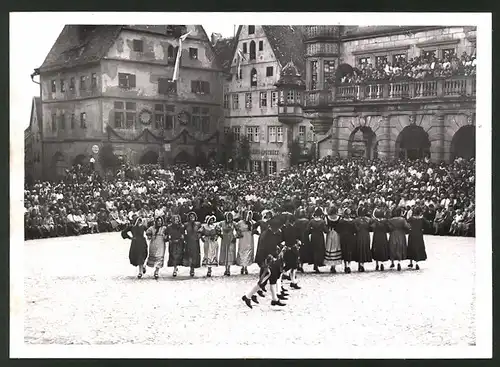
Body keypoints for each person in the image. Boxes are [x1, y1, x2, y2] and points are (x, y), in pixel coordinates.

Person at [281, 212, 301, 290]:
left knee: (292, 266)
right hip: (291, 249)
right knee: (291, 266)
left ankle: (292, 282)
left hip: (290, 248)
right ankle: (290, 281)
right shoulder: (293, 228)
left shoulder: (284, 228)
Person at [308, 207, 328, 273]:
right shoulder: (322, 221)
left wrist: (312, 231)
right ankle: (318, 264)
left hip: (314, 236)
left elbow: (308, 230)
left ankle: (315, 265)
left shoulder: (311, 221)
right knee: (319, 251)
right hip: (320, 236)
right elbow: (325, 231)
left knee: (314, 251)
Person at [218, 212, 239, 276]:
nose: (229, 217)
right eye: (228, 216)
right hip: (224, 239)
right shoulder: (222, 223)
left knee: (230, 253)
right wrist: (220, 234)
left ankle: (228, 269)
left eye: (231, 216)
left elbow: (239, 231)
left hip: (231, 239)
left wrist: (235, 237)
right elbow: (216, 228)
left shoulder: (234, 223)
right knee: (225, 253)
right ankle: (225, 268)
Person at [353, 206, 373, 272]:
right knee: (364, 248)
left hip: (359, 236)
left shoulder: (356, 220)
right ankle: (362, 265)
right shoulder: (368, 220)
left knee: (359, 249)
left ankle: (360, 265)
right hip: (366, 236)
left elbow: (355, 229)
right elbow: (371, 228)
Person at [236, 210, 256, 275]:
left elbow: (255, 230)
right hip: (243, 238)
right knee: (242, 251)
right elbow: (237, 229)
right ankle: (242, 266)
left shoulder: (253, 222)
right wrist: (239, 233)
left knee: (248, 251)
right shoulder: (240, 223)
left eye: (250, 215)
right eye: (248, 215)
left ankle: (246, 267)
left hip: (249, 238)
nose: (249, 216)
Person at [337, 208, 356, 273]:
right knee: (349, 252)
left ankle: (346, 266)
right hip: (350, 237)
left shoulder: (341, 221)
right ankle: (349, 266)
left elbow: (338, 230)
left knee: (344, 251)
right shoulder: (352, 221)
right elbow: (355, 230)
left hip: (343, 238)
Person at [183, 212, 201, 277]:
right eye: (190, 216)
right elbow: (182, 231)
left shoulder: (198, 224)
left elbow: (201, 231)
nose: (192, 217)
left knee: (195, 255)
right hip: (189, 241)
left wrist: (199, 235)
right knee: (189, 255)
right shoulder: (186, 224)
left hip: (195, 242)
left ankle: (193, 268)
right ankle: (191, 268)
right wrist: (185, 237)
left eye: (193, 216)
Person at [324, 207, 342, 273]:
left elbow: (325, 226)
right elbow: (340, 226)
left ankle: (331, 265)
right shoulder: (339, 218)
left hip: (330, 233)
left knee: (330, 247)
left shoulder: (327, 217)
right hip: (337, 234)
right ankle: (334, 266)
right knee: (336, 248)